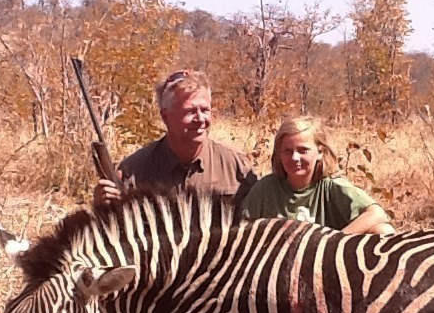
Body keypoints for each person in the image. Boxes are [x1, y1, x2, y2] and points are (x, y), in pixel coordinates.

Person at [93, 69, 256, 207]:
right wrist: (103, 206)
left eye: (205, 110)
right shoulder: (133, 171)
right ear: (166, 116)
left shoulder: (237, 166)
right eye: (190, 111)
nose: (200, 118)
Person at [241, 115, 396, 235]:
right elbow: (242, 230)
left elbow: (377, 214)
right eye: (287, 151)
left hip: (324, 264)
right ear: (279, 154)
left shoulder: (331, 186)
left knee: (383, 231)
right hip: (276, 266)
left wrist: (332, 242)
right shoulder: (264, 189)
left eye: (302, 150)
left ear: (320, 152)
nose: (295, 158)